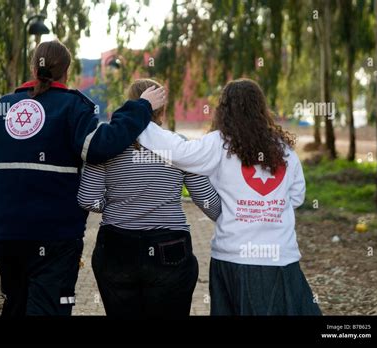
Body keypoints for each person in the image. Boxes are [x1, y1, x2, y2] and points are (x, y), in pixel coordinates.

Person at [0, 40, 165, 316]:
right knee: (51, 308)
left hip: (7, 234)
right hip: (55, 237)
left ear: (34, 68)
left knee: (16, 305)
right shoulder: (73, 108)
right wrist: (141, 107)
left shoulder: (3, 107)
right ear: (67, 72)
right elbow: (101, 146)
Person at [138, 78, 321, 315]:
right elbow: (296, 196)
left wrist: (139, 116)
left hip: (232, 255)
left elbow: (178, 152)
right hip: (280, 257)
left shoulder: (219, 144)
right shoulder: (283, 149)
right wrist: (268, 207)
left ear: (224, 109)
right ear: (261, 108)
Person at [78, 78, 221, 318]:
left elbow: (87, 199)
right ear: (162, 111)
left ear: (130, 105)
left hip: (116, 247)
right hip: (170, 249)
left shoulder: (107, 145)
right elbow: (205, 199)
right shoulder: (180, 146)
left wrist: (115, 204)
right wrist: (238, 220)